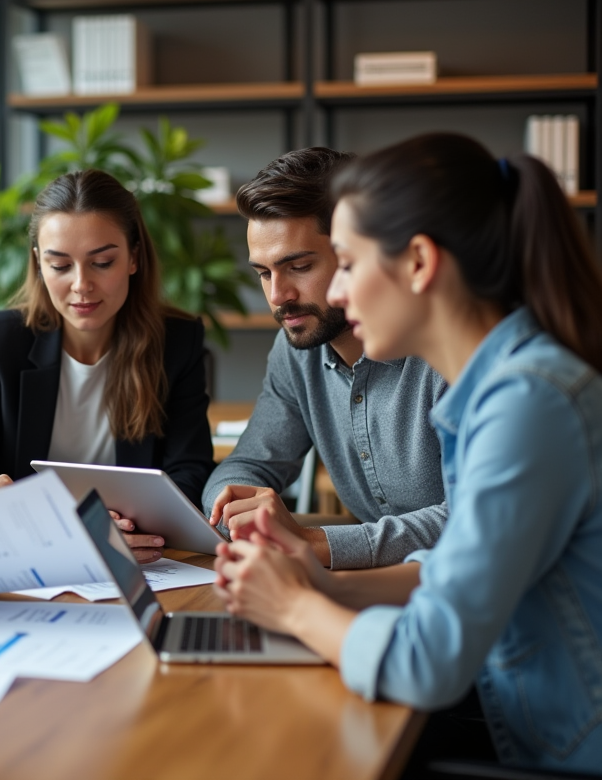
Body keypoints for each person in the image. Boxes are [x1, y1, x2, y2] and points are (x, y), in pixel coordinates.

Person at [214, 133, 602, 772]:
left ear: (418, 263)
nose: (338, 294)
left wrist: (296, 607)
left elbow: (428, 661)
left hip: (553, 748)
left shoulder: (527, 403)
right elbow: (450, 568)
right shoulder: (499, 386)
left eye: (347, 263)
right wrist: (318, 581)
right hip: (515, 710)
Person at [0, 169, 215, 563]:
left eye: (102, 262)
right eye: (60, 266)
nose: (81, 284)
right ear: (38, 263)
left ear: (134, 257)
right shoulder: (1, 342)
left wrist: (126, 530)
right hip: (33, 560)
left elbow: (190, 472)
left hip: (138, 560)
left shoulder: (177, 342)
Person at [202, 148, 447, 570]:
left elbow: (477, 520)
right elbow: (250, 462)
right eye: (264, 273)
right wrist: (236, 509)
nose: (278, 296)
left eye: (299, 266)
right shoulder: (296, 348)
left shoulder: (450, 350)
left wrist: (318, 543)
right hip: (393, 585)